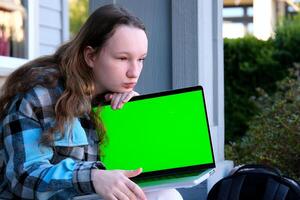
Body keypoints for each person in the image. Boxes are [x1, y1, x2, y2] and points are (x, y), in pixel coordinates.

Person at [0, 4, 183, 200]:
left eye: (141, 59)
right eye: (122, 58)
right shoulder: (40, 95)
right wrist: (93, 177)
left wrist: (133, 118)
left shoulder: (114, 97)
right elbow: (24, 177)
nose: (134, 72)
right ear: (90, 56)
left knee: (165, 195)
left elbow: (134, 171)